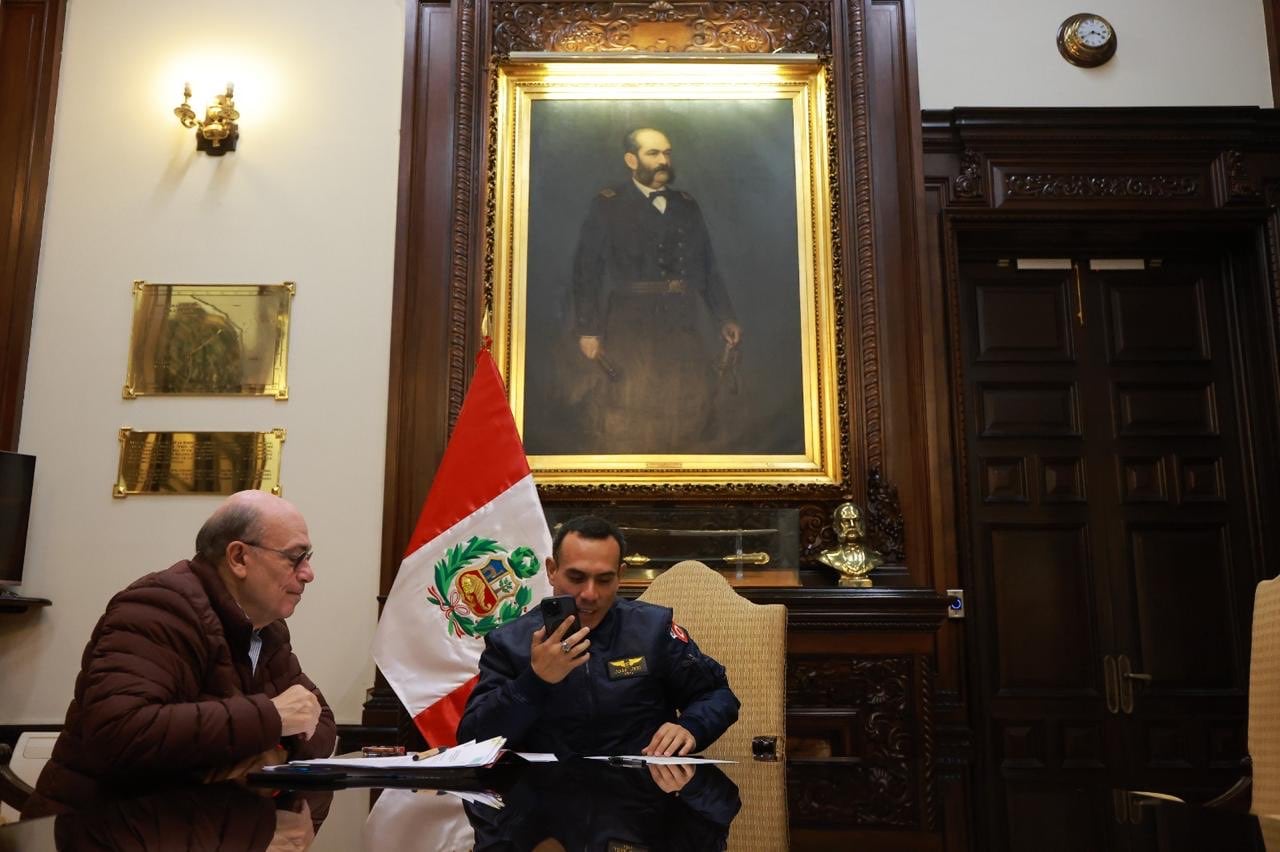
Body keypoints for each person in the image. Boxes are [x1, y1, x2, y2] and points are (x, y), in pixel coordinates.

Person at [24, 490, 336, 817]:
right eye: (294, 557)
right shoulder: (158, 606)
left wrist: (267, 744)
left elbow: (321, 721)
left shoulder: (266, 629)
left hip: (202, 827)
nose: (308, 573)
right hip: (97, 830)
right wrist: (269, 719)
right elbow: (121, 732)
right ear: (239, 558)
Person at [456, 515, 739, 756]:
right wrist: (534, 681)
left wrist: (691, 726)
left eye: (604, 580)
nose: (590, 594)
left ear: (620, 575)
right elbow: (473, 740)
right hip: (541, 804)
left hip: (640, 800)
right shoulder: (510, 641)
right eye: (576, 578)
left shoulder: (653, 629)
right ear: (552, 571)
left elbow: (717, 694)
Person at [569, 127, 742, 453]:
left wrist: (724, 317)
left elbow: (707, 267)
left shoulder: (686, 205)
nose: (663, 160)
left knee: (688, 399)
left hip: (682, 321)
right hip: (630, 321)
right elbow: (586, 272)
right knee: (631, 400)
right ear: (631, 159)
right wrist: (588, 329)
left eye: (667, 153)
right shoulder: (608, 205)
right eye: (653, 153)